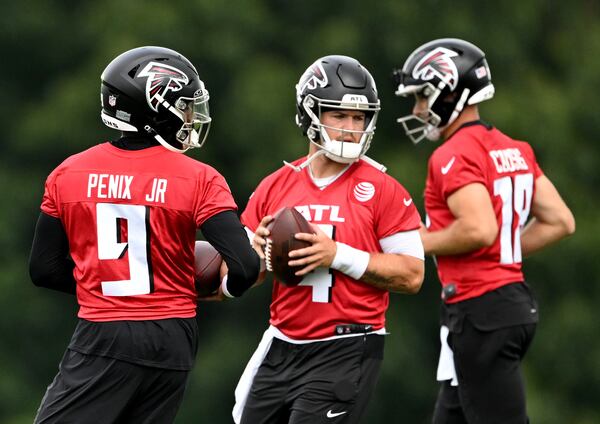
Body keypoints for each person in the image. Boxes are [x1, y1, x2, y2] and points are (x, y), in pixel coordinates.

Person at [28, 46, 260, 423]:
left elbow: (44, 269)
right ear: (156, 106)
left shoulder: (68, 174)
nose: (190, 115)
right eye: (184, 105)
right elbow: (246, 266)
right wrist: (215, 288)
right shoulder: (200, 177)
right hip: (174, 339)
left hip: (105, 333)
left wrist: (107, 285)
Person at [232, 55, 425, 424]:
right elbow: (251, 275)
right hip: (283, 343)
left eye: (359, 117)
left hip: (347, 345)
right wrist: (254, 255)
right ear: (310, 113)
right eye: (339, 115)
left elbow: (412, 275)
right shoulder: (275, 185)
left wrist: (337, 254)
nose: (351, 128)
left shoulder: (383, 189)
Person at [392, 38, 576, 423]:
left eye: (423, 96)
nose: (417, 109)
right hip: (507, 305)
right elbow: (560, 221)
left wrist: (415, 242)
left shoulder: (452, 153)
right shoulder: (514, 148)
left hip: (481, 310)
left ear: (450, 92)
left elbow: (478, 229)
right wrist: (505, 248)